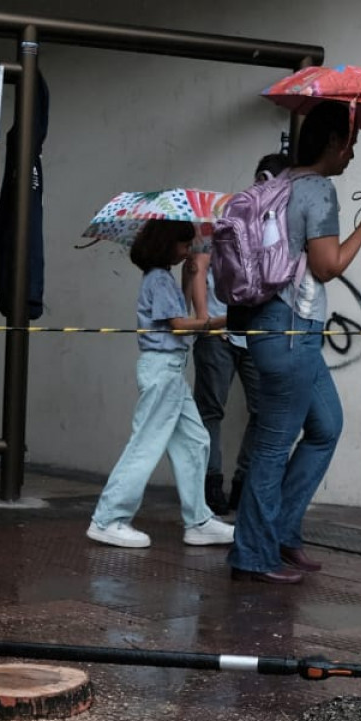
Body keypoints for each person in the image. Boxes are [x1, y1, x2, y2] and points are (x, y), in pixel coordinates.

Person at [226, 102, 361, 585]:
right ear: (333, 142)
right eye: (351, 144)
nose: (352, 154)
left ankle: (280, 532)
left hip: (283, 328)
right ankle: (253, 555)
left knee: (326, 426)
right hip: (291, 328)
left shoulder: (282, 182)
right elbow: (326, 265)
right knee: (274, 445)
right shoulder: (317, 188)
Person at [85, 220, 235, 549]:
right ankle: (108, 518)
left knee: (195, 440)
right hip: (163, 370)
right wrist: (224, 320)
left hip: (169, 371)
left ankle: (199, 520)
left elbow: (177, 317)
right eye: (184, 245)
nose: (188, 251)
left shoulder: (160, 278)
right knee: (146, 444)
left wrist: (189, 280)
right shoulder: (159, 279)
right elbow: (179, 325)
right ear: (167, 245)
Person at [187, 152, 289, 517]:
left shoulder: (281, 220)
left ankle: (244, 482)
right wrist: (204, 321)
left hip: (257, 333)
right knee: (210, 409)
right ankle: (210, 482)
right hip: (219, 329)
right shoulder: (226, 211)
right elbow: (198, 265)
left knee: (263, 410)